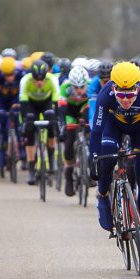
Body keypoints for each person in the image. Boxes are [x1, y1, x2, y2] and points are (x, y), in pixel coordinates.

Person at [89, 61, 140, 255]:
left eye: (130, 95)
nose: (125, 100)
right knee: (106, 159)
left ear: (138, 87)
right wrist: (94, 157)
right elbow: (96, 130)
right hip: (114, 127)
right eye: (121, 95)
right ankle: (102, 196)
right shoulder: (105, 95)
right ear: (113, 88)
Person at [19, 59, 59, 185]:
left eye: (42, 79)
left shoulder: (53, 80)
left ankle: (51, 159)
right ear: (32, 76)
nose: (39, 82)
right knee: (30, 128)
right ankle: (31, 169)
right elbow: (23, 104)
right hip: (31, 104)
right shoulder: (25, 80)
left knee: (51, 119)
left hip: (46, 103)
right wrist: (25, 123)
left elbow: (56, 103)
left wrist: (56, 121)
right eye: (36, 80)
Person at [58, 65, 90, 196]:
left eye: (82, 86)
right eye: (76, 87)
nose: (79, 90)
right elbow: (61, 111)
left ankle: (88, 167)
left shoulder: (90, 85)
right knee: (69, 141)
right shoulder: (65, 87)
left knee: (90, 135)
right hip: (70, 112)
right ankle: (69, 177)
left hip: (84, 110)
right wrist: (63, 127)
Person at [0, 56, 23, 174]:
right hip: (2, 104)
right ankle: (1, 154)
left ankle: (20, 147)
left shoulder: (21, 76)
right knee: (2, 128)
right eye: (7, 75)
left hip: (15, 102)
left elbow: (23, 93)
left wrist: (21, 105)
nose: (10, 77)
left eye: (11, 74)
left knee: (20, 123)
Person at [88, 60, 112, 129]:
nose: (107, 84)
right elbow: (93, 109)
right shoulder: (94, 84)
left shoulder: (118, 83)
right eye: (104, 81)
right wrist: (94, 129)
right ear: (99, 79)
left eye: (109, 80)